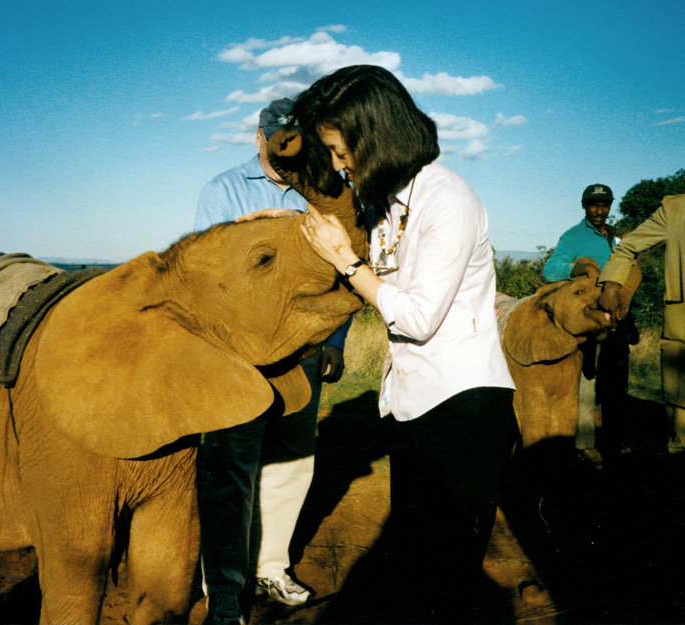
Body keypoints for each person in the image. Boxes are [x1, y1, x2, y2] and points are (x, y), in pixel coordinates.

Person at [273, 64, 518, 623]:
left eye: (340, 150)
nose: (339, 164)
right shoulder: (387, 205)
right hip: (411, 405)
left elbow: (418, 316)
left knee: (446, 583)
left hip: (464, 409)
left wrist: (348, 261)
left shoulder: (446, 199)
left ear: (373, 134)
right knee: (414, 572)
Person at [196, 98, 351, 625]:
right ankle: (223, 589)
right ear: (259, 138)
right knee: (230, 468)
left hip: (302, 353)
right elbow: (209, 273)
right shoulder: (223, 190)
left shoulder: (324, 190)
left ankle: (271, 566)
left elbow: (340, 268)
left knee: (291, 462)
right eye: (277, 139)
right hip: (241, 354)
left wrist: (336, 338)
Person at [543, 184, 638, 458]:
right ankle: (585, 444)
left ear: (610, 207)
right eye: (594, 205)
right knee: (587, 381)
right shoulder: (573, 237)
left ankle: (613, 441)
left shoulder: (614, 238)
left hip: (617, 322)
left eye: (605, 205)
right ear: (584, 206)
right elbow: (551, 270)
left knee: (616, 384)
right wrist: (578, 268)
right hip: (589, 322)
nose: (600, 210)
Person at [598, 194, 685, 455]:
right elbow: (627, 246)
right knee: (680, 416)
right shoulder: (676, 208)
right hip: (681, 330)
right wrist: (612, 285)